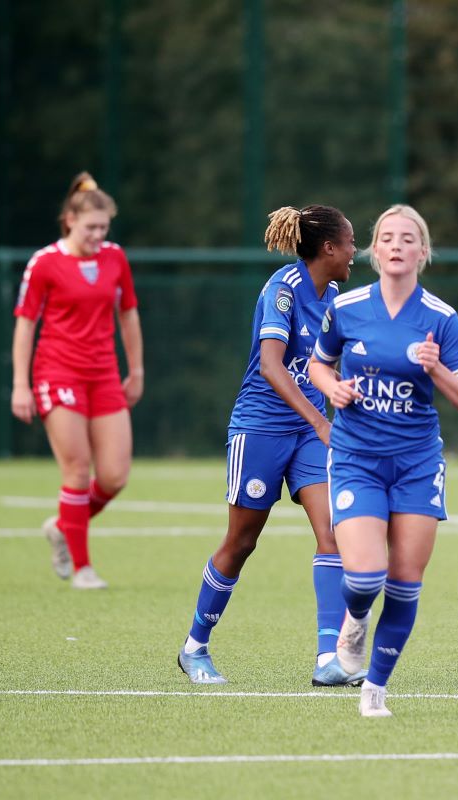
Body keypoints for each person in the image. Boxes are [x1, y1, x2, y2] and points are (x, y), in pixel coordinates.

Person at [308, 205, 458, 717]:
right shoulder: (348, 308)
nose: (397, 246)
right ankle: (354, 624)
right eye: (387, 238)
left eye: (408, 239)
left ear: (422, 253)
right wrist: (333, 388)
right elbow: (320, 363)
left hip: (416, 463)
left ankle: (374, 689)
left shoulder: (441, 318)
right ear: (374, 250)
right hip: (357, 457)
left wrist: (437, 371)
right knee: (364, 578)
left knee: (405, 583)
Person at [176, 205, 361, 687]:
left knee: (334, 535)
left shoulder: (335, 295)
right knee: (241, 542)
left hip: (308, 434)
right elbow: (272, 368)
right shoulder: (283, 290)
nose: (354, 252)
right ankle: (195, 646)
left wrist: (348, 389)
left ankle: (329, 658)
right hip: (260, 428)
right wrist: (322, 419)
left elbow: (320, 365)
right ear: (327, 248)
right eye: (350, 243)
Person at [11, 172, 144, 590]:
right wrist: (20, 384)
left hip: (103, 374)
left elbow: (128, 315)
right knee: (78, 468)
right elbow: (25, 325)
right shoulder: (45, 262)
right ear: (69, 219)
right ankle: (83, 569)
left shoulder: (115, 258)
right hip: (57, 372)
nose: (98, 235)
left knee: (114, 476)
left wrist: (135, 370)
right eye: (91, 227)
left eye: (104, 228)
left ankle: (61, 525)